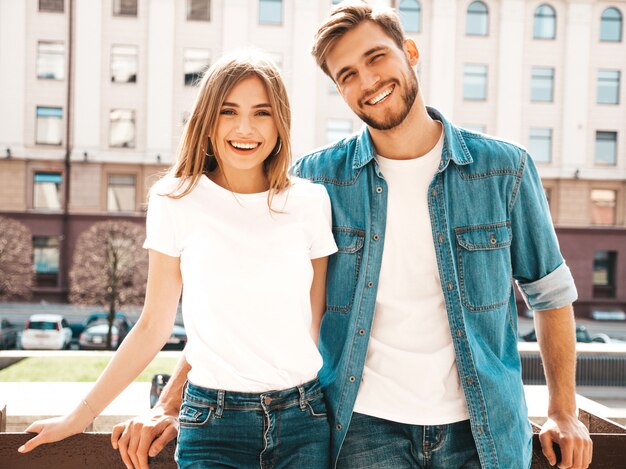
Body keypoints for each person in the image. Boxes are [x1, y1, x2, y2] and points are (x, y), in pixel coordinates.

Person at [112, 1, 593, 468]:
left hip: (482, 428)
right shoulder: (317, 182)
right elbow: (242, 307)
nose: (368, 82)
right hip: (364, 429)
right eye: (347, 76)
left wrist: (562, 411)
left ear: (410, 52)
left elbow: (550, 294)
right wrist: (170, 403)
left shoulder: (504, 170)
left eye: (376, 57)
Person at [17, 50, 338, 469]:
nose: (245, 128)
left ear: (280, 122)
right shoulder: (176, 200)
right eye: (228, 112)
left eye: (262, 112)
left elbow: (314, 321)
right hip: (213, 425)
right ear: (207, 121)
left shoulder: (310, 202)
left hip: (304, 418)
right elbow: (153, 325)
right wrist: (81, 414)